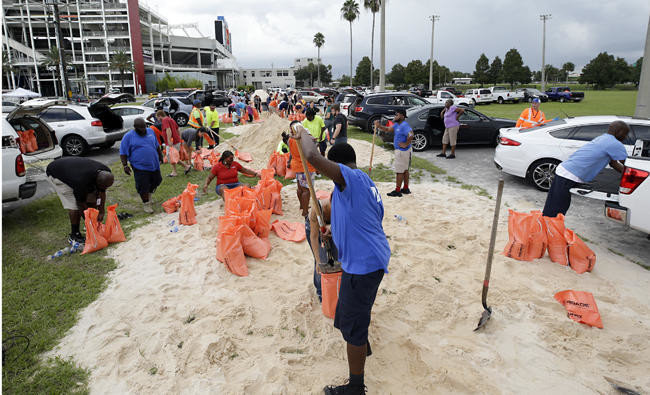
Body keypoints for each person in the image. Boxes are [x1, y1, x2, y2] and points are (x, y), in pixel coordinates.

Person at [290, 123, 390, 395]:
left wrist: (303, 131)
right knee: (347, 314)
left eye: (331, 170)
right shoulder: (363, 185)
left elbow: (311, 157)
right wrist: (334, 230)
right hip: (367, 260)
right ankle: (361, 342)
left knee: (353, 324)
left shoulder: (351, 178)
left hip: (364, 265)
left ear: (338, 167)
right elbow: (366, 220)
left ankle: (356, 388)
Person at [542, 121, 630, 217]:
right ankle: (549, 228)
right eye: (625, 134)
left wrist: (626, 173)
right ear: (619, 132)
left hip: (565, 170)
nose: (626, 137)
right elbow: (628, 164)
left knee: (554, 204)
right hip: (569, 175)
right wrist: (632, 176)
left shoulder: (603, 138)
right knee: (557, 208)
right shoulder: (615, 144)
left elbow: (613, 163)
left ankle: (547, 225)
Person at [46, 157, 114, 244]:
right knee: (74, 205)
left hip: (74, 169)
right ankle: (74, 235)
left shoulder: (106, 172)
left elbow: (101, 192)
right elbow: (81, 204)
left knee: (92, 196)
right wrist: (89, 222)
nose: (104, 189)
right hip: (56, 173)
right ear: (97, 182)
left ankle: (92, 225)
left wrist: (101, 211)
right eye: (102, 186)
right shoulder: (80, 182)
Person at [120, 118, 164, 214]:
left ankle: (149, 194)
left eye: (144, 127)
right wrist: (125, 165)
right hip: (139, 166)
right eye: (141, 128)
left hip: (154, 163)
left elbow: (156, 145)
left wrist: (161, 157)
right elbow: (123, 153)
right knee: (143, 186)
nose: (143, 130)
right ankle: (146, 204)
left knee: (157, 180)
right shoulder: (128, 136)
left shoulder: (150, 131)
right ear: (135, 127)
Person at [374, 108, 414, 197]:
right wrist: (379, 126)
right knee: (405, 170)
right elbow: (388, 129)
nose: (395, 116)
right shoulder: (397, 125)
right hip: (402, 151)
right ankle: (406, 188)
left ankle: (397, 190)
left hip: (402, 151)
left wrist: (405, 143)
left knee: (399, 171)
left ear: (402, 116)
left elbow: (411, 134)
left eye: (397, 115)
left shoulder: (404, 125)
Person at [306, 198, 338, 302]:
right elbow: (314, 237)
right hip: (313, 228)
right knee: (321, 262)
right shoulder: (318, 208)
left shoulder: (344, 208)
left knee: (335, 258)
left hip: (330, 227)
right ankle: (321, 293)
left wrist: (331, 228)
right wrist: (318, 261)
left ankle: (335, 288)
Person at [288, 134, 317, 217]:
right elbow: (310, 153)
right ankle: (305, 211)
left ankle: (302, 205)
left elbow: (291, 152)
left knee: (300, 188)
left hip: (297, 165)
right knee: (306, 190)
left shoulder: (291, 139)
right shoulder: (303, 139)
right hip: (306, 166)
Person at [156, 110, 190, 177]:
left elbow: (168, 130)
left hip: (172, 142)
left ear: (160, 116)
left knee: (171, 156)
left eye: (157, 117)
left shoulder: (165, 120)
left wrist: (169, 140)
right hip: (175, 140)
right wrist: (179, 138)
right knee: (172, 156)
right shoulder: (170, 119)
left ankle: (185, 166)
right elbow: (178, 129)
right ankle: (175, 171)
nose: (157, 119)